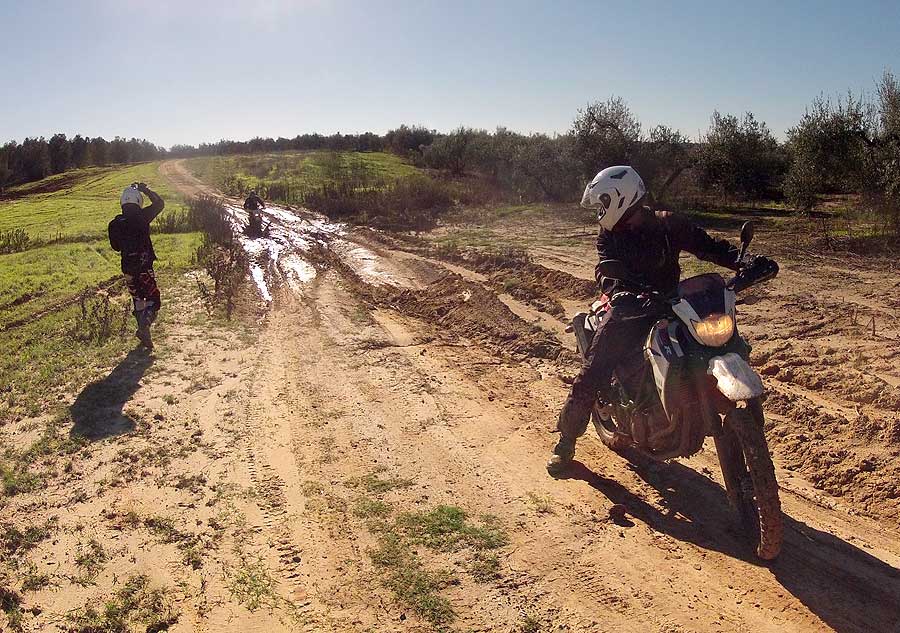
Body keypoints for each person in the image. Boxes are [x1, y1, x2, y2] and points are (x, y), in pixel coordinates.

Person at [547, 165, 750, 475]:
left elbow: (708, 246)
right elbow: (604, 269)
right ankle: (566, 442)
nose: (600, 211)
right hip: (631, 307)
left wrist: (743, 261)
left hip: (672, 303)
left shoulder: (668, 224)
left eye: (603, 202)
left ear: (619, 198)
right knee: (593, 372)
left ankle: (698, 413)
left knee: (720, 342)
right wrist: (617, 293)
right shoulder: (609, 235)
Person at [108, 182, 165, 350]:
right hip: (144, 265)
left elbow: (115, 247)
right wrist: (145, 189)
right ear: (138, 200)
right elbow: (160, 203)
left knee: (138, 300)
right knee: (154, 300)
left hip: (127, 267)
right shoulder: (142, 216)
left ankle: (143, 331)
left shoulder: (114, 224)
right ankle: (144, 326)